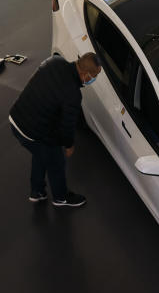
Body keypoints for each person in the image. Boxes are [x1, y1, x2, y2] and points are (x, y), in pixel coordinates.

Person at [8, 53, 101, 208]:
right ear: (85, 74)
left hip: (16, 116)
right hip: (30, 130)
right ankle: (61, 198)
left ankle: (37, 192)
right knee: (56, 160)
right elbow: (67, 126)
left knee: (41, 153)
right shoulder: (73, 94)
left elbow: (35, 80)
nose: (94, 79)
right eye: (95, 75)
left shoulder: (56, 61)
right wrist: (69, 145)